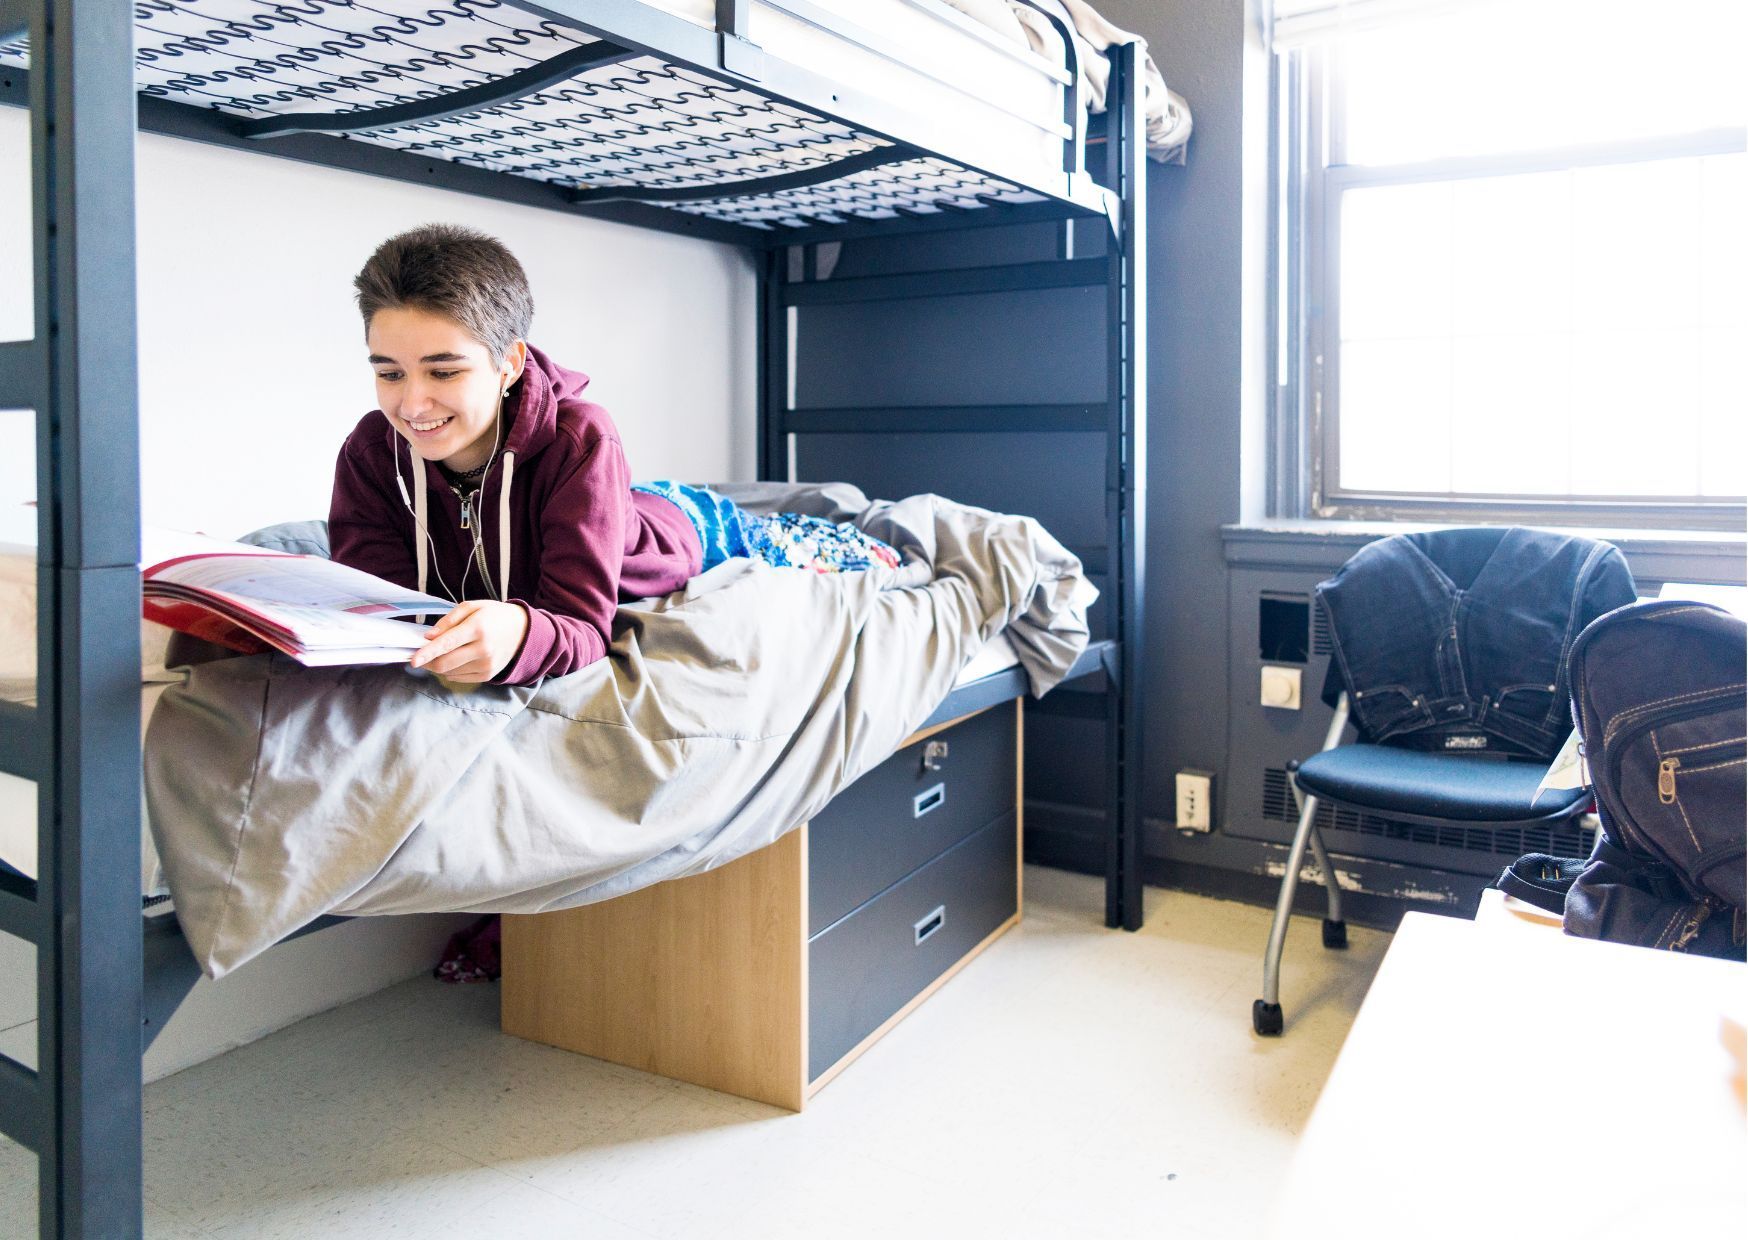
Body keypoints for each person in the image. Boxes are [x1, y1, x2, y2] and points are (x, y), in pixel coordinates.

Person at [329, 223, 898, 687]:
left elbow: (583, 627)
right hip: (610, 506)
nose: (411, 402)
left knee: (863, 557)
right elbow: (384, 607)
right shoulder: (371, 453)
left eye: (443, 370)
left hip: (686, 529)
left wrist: (523, 634)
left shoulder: (582, 440)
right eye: (389, 373)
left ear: (508, 364)